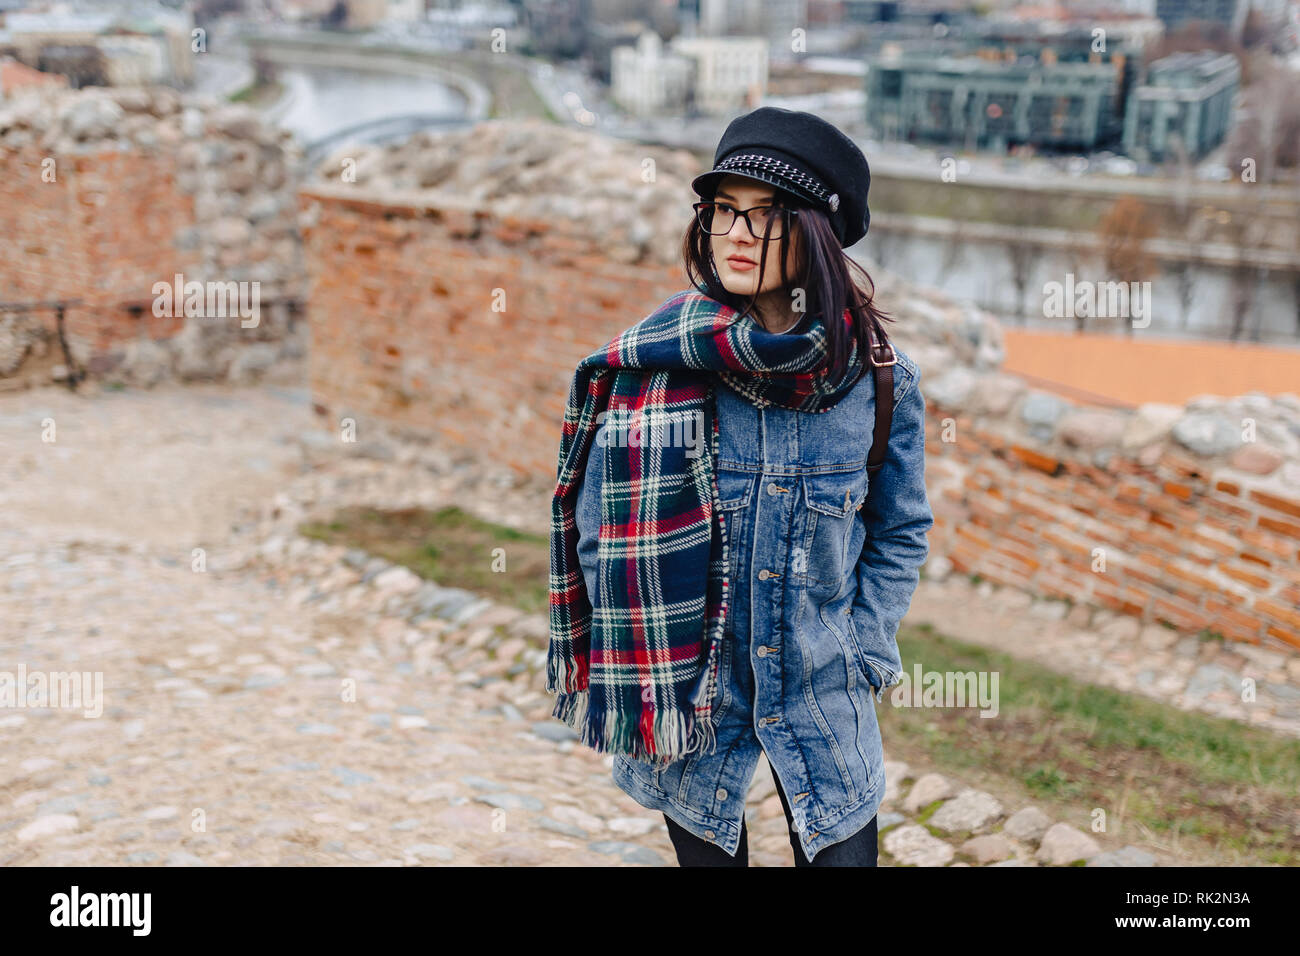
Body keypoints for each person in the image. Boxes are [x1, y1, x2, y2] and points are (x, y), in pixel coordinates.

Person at [548, 107, 934, 866]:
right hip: (693, 699)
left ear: (817, 234)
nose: (737, 233)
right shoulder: (650, 372)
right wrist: (647, 655)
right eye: (723, 209)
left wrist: (865, 647)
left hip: (824, 689)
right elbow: (600, 532)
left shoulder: (880, 383)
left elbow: (899, 529)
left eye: (766, 216)